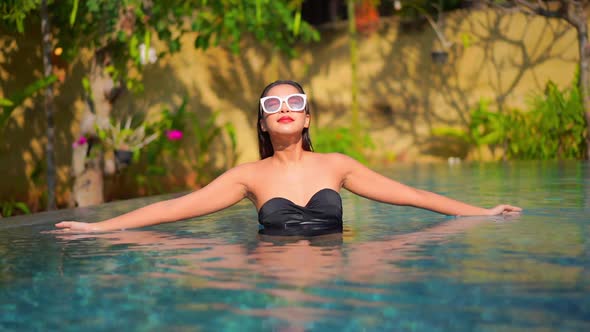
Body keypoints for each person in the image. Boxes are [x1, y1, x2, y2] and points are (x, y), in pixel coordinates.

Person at [56, 80, 521, 234]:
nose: (283, 110)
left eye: (294, 104)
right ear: (261, 123)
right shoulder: (247, 177)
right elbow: (172, 209)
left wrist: (482, 212)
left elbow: (413, 195)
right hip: (269, 278)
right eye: (272, 106)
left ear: (307, 118)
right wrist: (97, 228)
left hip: (334, 275)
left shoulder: (336, 166)